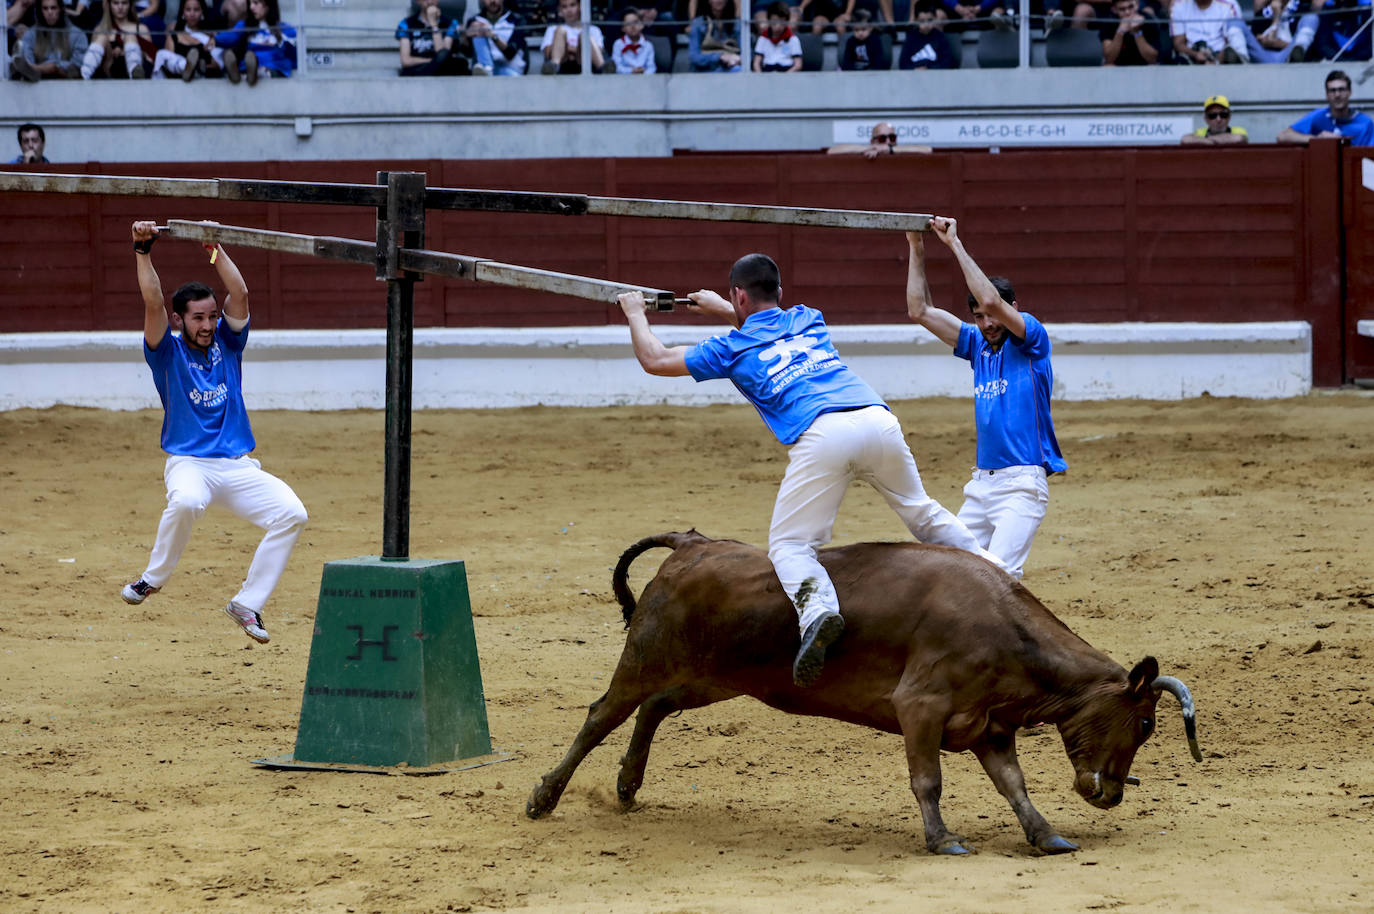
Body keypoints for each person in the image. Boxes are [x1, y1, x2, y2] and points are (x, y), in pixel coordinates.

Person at [616, 251, 1007, 688]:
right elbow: (764, 331)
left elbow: (655, 359)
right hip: (876, 417)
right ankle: (1000, 574)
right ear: (779, 293)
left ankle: (818, 611)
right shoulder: (807, 317)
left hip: (823, 434)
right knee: (924, 513)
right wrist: (727, 309)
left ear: (739, 295)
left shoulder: (730, 347)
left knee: (789, 546)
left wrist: (634, 312)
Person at [120, 220, 308, 646]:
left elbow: (239, 295)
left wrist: (213, 246)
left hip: (236, 465)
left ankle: (247, 603)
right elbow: (151, 301)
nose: (206, 325)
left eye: (210, 317)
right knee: (186, 500)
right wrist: (142, 250)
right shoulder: (165, 353)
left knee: (293, 514)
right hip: (190, 463)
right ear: (178, 320)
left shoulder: (229, 342)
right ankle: (152, 578)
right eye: (198, 318)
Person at [905, 218, 1066, 581]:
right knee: (950, 573)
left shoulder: (1031, 340)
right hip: (980, 487)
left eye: (992, 316)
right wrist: (916, 248)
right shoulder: (977, 345)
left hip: (1023, 484)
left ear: (1013, 308)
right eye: (978, 317)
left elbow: (991, 299)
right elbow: (920, 311)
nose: (987, 323)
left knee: (997, 577)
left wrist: (954, 244)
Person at [1279, 69, 1374, 145]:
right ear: (1326, 95)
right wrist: (1317, 139)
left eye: (1341, 89)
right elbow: (1282, 137)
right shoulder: (1317, 116)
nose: (1337, 95)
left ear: (1350, 92)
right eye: (1332, 90)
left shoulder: (1365, 123)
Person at [219, 0, 297, 84]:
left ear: (268, 6)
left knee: (266, 70)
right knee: (243, 57)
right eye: (250, 3)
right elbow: (230, 37)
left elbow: (294, 54)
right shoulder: (244, 26)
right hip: (246, 66)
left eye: (255, 3)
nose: (251, 7)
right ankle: (239, 74)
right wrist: (214, 40)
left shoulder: (286, 29)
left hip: (273, 68)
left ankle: (247, 75)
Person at [11, 0, 86, 80]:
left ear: (61, 9)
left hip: (68, 81)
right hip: (38, 82)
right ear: (40, 11)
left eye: (53, 8)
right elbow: (27, 63)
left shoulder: (77, 34)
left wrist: (55, 67)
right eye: (45, 8)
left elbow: (78, 67)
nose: (49, 12)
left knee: (55, 67)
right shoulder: (31, 34)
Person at [153, 0, 225, 80]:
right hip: (177, 82)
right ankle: (187, 67)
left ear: (202, 13)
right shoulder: (173, 37)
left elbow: (218, 65)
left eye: (196, 10)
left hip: (201, 81)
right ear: (183, 13)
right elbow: (168, 66)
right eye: (188, 10)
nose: (192, 14)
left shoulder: (210, 38)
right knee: (161, 54)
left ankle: (193, 70)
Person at [80, 0, 153, 78]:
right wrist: (110, 54)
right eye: (116, 3)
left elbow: (150, 60)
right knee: (102, 37)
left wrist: (128, 51)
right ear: (109, 5)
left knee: (130, 37)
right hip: (106, 71)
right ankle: (83, 76)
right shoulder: (99, 29)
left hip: (132, 73)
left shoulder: (141, 29)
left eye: (124, 3)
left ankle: (135, 74)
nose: (120, 7)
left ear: (130, 5)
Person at [396, 0, 468, 75]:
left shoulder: (450, 23)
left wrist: (434, 24)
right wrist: (432, 61)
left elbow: (442, 54)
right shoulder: (406, 24)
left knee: (461, 64)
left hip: (441, 70)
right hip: (417, 70)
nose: (430, 1)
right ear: (418, 1)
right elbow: (405, 61)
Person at [462, 0, 528, 76]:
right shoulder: (475, 20)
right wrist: (466, 37)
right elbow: (467, 53)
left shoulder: (517, 20)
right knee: (478, 30)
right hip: (484, 70)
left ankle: (487, 68)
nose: (493, 1)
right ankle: (486, 66)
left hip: (511, 69)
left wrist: (492, 36)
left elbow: (511, 53)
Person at [1169, 0, 1247, 62]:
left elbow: (1232, 42)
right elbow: (1178, 43)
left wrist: (1217, 61)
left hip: (1222, 59)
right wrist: (1195, 55)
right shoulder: (1178, 5)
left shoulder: (1229, 4)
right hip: (1192, 58)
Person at [539, 0, 606, 73]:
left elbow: (599, 52)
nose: (569, 10)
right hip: (562, 65)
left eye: (573, 5)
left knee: (584, 35)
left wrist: (571, 49)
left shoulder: (594, 30)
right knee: (560, 30)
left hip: (586, 64)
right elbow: (548, 53)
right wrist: (570, 49)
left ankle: (603, 68)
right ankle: (554, 67)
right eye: (564, 7)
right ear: (560, 10)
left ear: (580, 6)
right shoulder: (552, 29)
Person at [1245, 0, 1317, 62]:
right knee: (1237, 23)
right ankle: (1239, 57)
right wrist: (1276, 16)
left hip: (1289, 54)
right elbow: (1255, 42)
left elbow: (1312, 47)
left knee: (1311, 18)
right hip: (1264, 56)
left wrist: (1278, 44)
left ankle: (1295, 56)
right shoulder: (1264, 13)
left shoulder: (1302, 9)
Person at [1100, 0, 1162, 64]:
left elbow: (1153, 59)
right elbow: (1109, 59)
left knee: (1153, 66)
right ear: (1114, 10)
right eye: (1122, 9)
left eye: (1131, 7)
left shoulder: (1148, 20)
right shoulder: (1109, 22)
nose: (1127, 12)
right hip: (1118, 65)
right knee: (1109, 66)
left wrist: (1137, 32)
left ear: (1137, 5)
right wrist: (1120, 32)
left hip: (1144, 64)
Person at [897, 0, 956, 68]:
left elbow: (946, 63)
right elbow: (903, 64)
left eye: (930, 20)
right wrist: (915, 69)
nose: (926, 25)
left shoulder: (940, 38)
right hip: (913, 76)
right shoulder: (911, 39)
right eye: (922, 21)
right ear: (916, 20)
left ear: (935, 18)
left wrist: (929, 69)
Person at [688, 0, 743, 71]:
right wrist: (720, 57)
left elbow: (747, 52)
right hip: (706, 71)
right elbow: (694, 56)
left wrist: (737, 59)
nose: (718, 0)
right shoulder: (698, 23)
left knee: (738, 70)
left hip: (731, 67)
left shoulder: (736, 24)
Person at [827, 120, 932, 157]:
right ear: (873, 140)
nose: (887, 141)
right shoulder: (870, 147)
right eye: (882, 138)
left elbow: (928, 150)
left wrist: (890, 150)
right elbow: (832, 151)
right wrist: (868, 149)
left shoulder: (899, 149)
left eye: (892, 137)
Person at [1180, 94, 1249, 144]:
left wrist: (1207, 140)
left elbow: (1239, 139)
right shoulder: (1200, 132)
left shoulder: (1238, 130)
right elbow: (1184, 139)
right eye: (1212, 115)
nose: (1218, 119)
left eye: (1223, 115)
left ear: (1229, 116)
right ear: (1205, 119)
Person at [753, 1, 801, 71]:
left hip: (786, 72)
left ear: (787, 22)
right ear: (769, 20)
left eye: (782, 22)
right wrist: (760, 78)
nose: (778, 26)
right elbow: (756, 63)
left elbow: (798, 65)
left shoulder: (793, 39)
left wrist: (785, 77)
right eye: (774, 22)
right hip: (767, 73)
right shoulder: (763, 39)